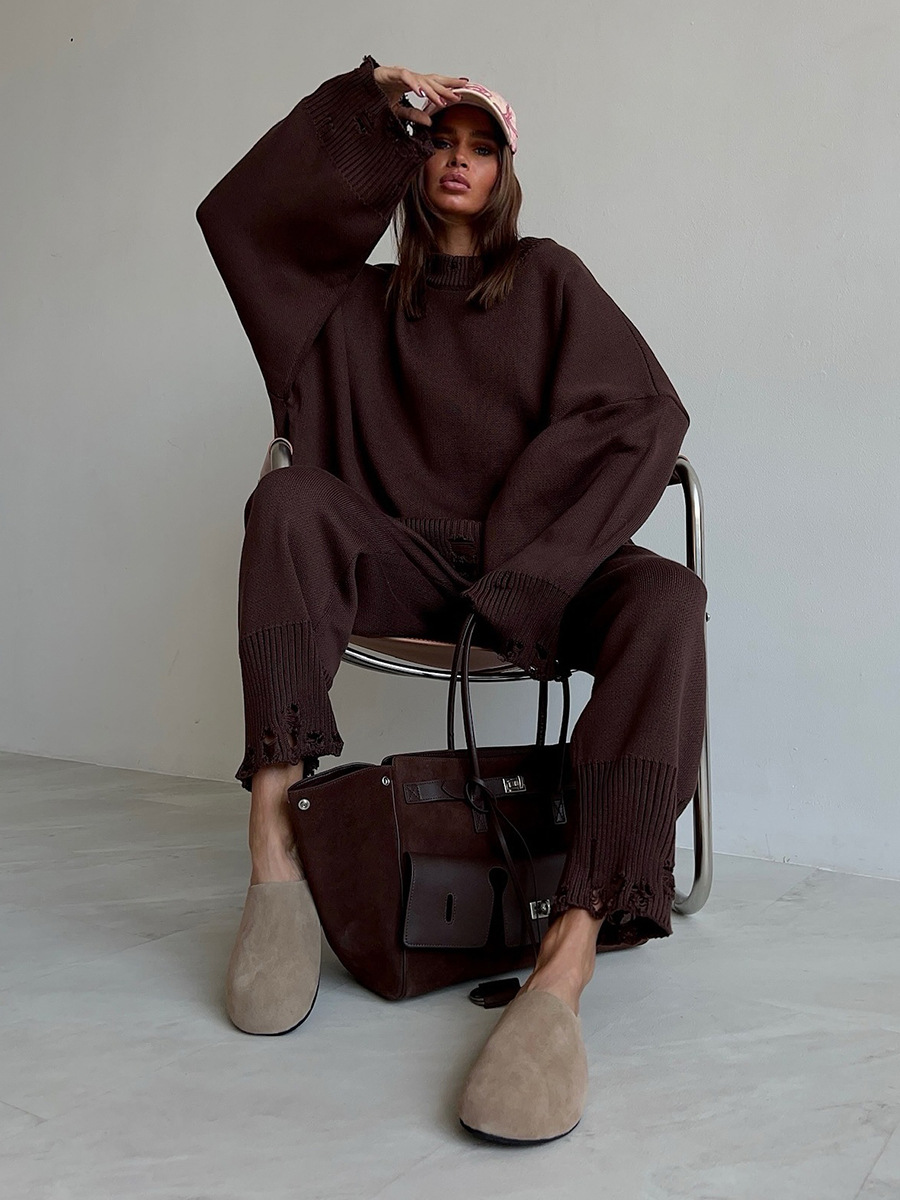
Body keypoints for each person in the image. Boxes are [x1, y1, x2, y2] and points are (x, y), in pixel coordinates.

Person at [195, 53, 707, 1145]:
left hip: (537, 575)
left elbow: (644, 414)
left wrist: (533, 565)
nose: (458, 162)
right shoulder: (352, 303)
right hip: (405, 564)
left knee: (667, 597)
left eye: (482, 146)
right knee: (287, 499)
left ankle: (569, 953)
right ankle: (273, 848)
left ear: (506, 170)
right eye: (440, 142)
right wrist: (370, 101)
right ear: (413, 161)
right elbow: (244, 226)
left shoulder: (550, 278)